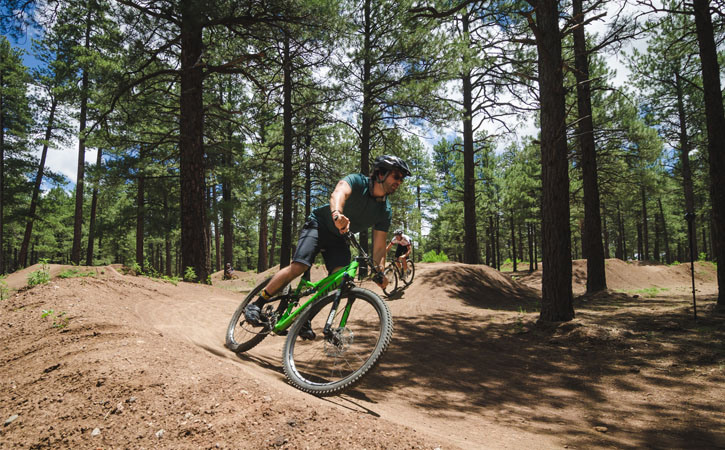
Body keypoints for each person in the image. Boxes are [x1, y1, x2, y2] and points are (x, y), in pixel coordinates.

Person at [244, 155, 412, 336]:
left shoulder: (385, 211)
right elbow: (338, 193)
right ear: (381, 173)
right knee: (299, 266)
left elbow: (379, 246)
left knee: (338, 280)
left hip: (339, 238)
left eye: (401, 179)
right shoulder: (357, 181)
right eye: (396, 176)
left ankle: (304, 320)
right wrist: (337, 215)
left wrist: (379, 271)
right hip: (319, 225)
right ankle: (257, 304)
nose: (399, 182)